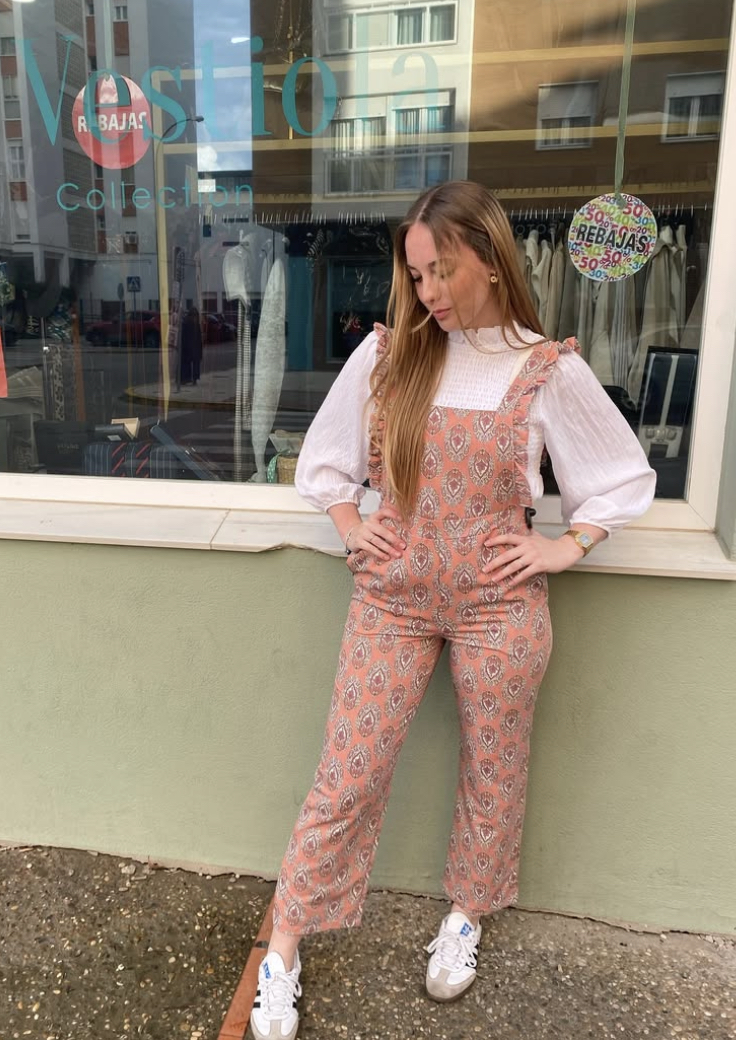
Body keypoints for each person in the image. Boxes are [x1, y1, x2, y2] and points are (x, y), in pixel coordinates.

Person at [250, 181, 656, 1040]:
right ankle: (284, 943)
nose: (428, 291)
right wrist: (353, 527)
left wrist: (566, 546)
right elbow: (323, 464)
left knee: (494, 767)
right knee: (349, 768)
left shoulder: (547, 368)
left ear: (490, 257)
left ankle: (467, 913)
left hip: (498, 604)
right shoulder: (390, 355)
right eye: (416, 274)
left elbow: (622, 476)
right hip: (392, 597)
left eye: (441, 270)